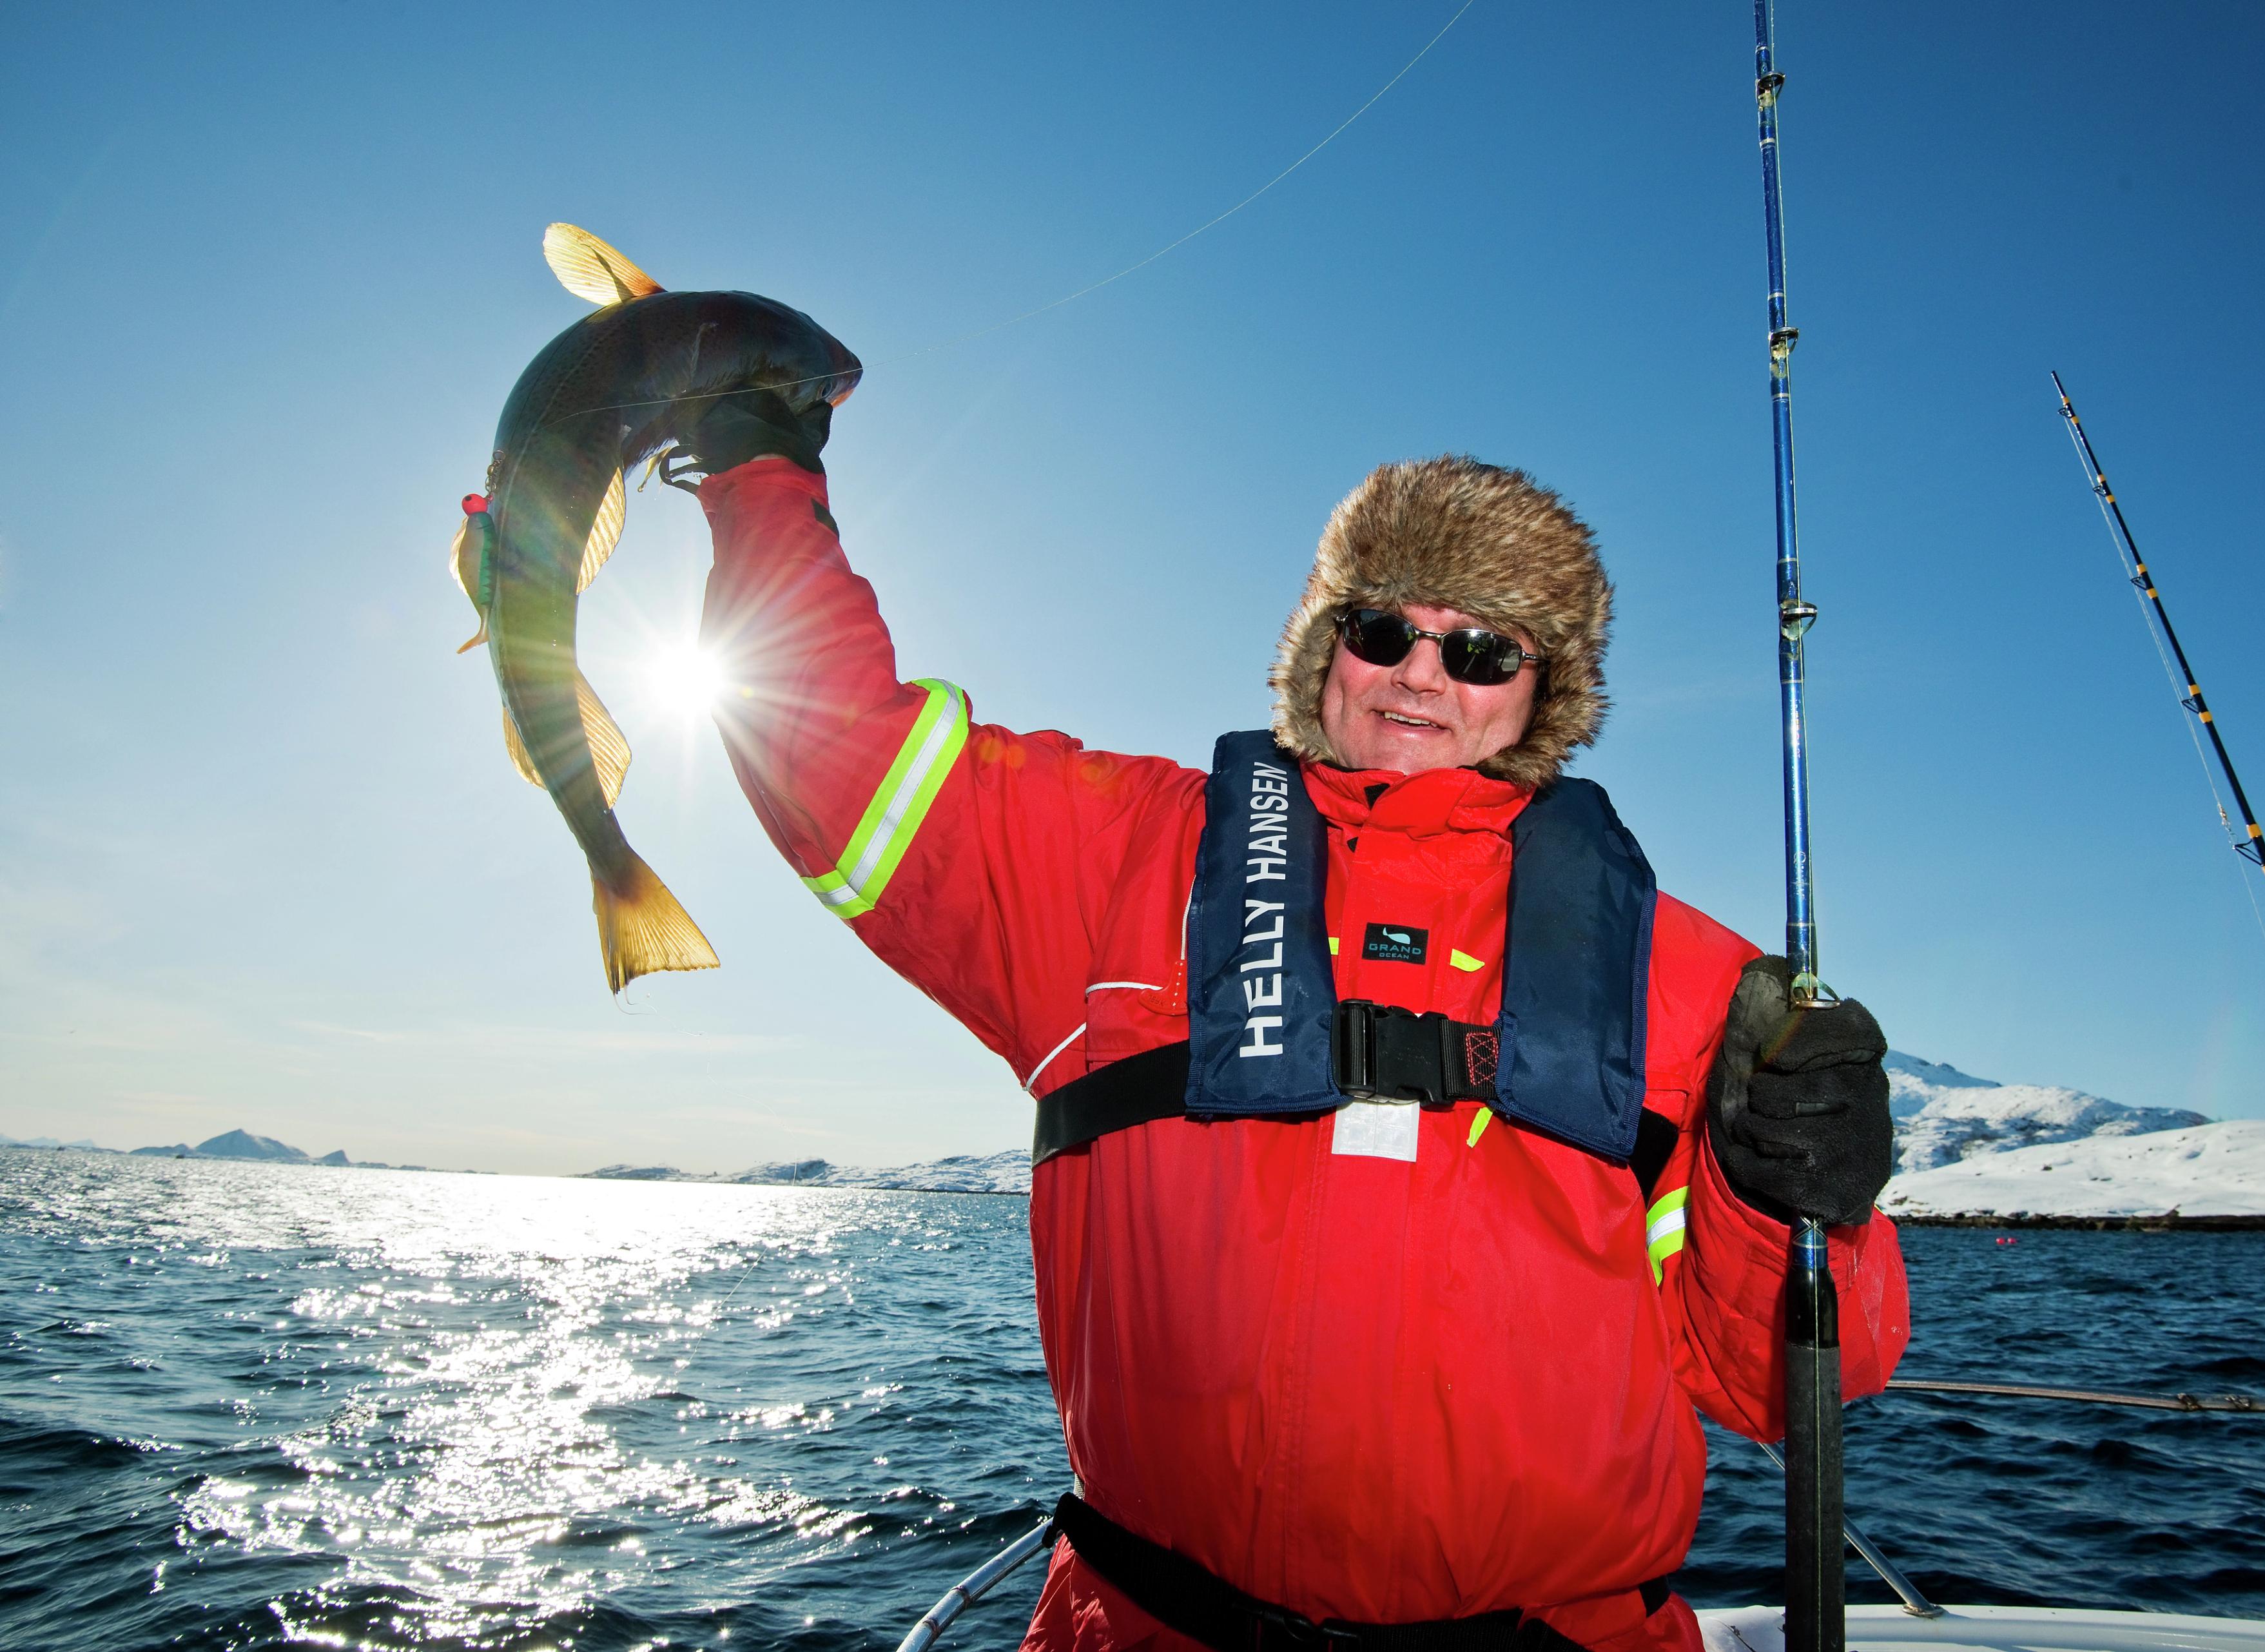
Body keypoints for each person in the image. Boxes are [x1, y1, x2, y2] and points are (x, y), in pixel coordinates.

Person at [677, 390, 1907, 1652]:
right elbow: (827, 749)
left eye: (1481, 649)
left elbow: (1786, 1382)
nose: (1423, 673)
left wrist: (1801, 1199)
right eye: (1384, 629)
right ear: (1325, 646)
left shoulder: (1689, 974)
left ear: (1544, 692)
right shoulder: (1119, 858)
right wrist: (759, 461)